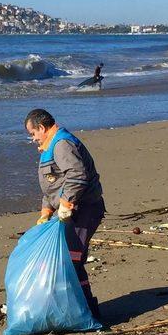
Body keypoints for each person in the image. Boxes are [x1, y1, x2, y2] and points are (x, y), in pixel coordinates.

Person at [24, 108, 105, 321]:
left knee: (71, 260)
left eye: (33, 133)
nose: (33, 139)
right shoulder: (50, 147)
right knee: (66, 260)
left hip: (84, 209)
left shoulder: (62, 144)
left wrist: (66, 204)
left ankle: (86, 312)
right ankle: (74, 310)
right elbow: (53, 186)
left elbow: (78, 175)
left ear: (42, 128)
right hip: (69, 212)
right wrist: (45, 212)